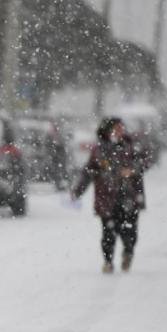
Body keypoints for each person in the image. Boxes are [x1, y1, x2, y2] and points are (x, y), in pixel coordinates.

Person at [71, 117, 147, 273]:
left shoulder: (131, 146)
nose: (120, 131)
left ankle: (128, 253)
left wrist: (133, 170)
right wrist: (77, 190)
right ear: (107, 131)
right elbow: (88, 171)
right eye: (116, 128)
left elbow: (144, 162)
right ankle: (108, 261)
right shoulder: (99, 150)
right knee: (108, 232)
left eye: (121, 128)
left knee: (129, 231)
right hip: (107, 197)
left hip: (129, 196)